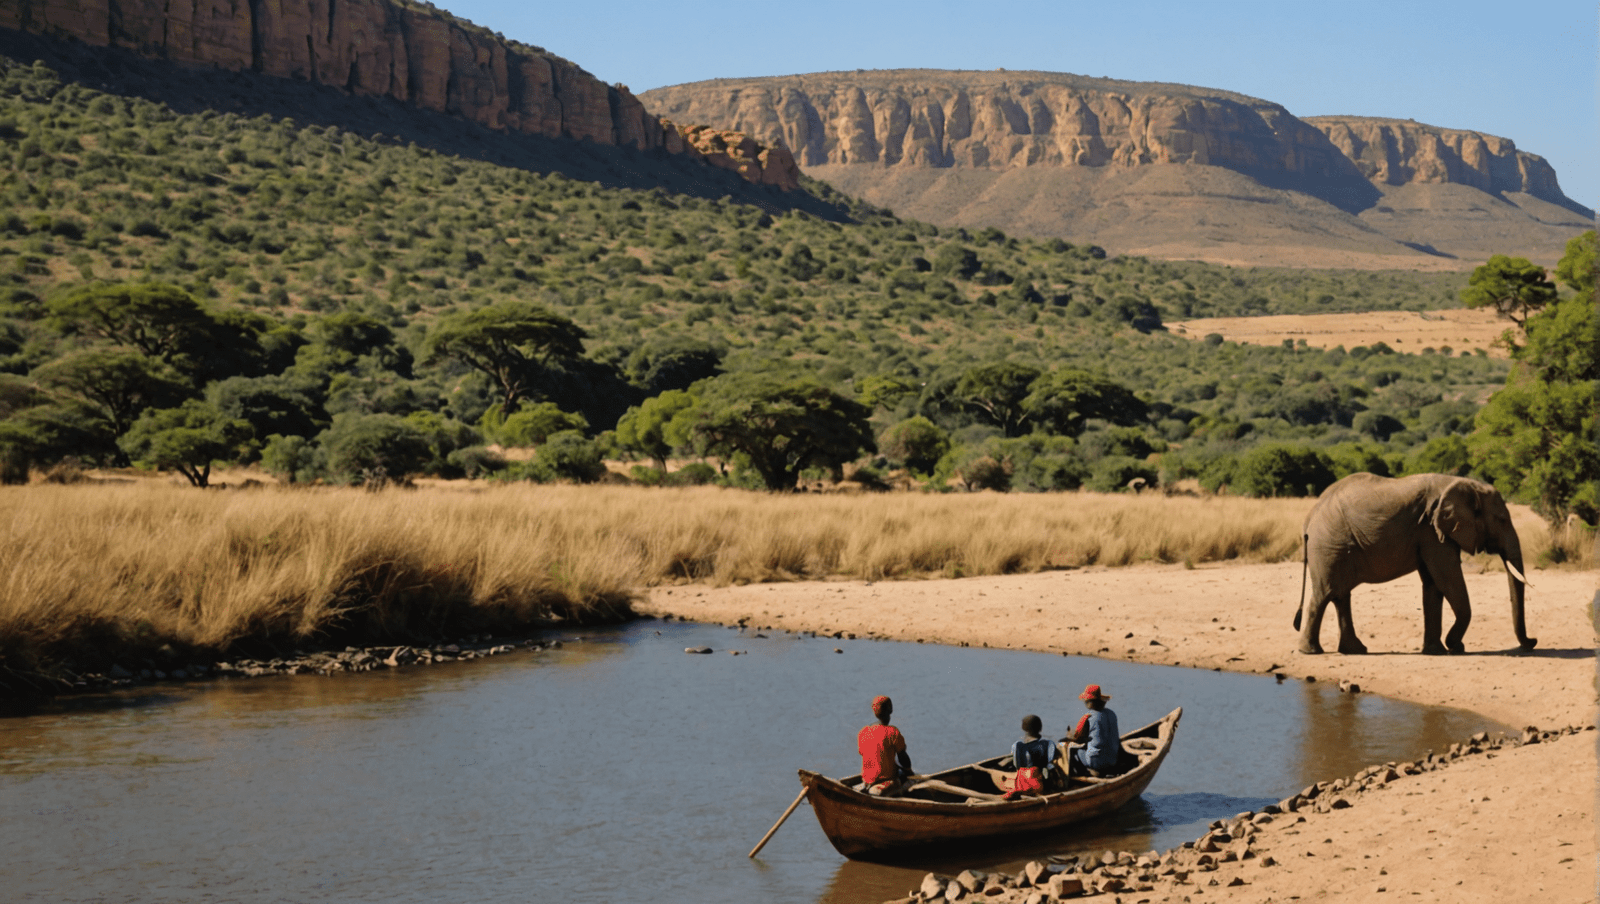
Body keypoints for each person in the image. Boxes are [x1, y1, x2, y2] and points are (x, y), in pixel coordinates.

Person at [858, 695, 913, 796]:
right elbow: (903, 759)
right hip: (886, 782)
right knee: (912, 782)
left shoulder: (864, 733)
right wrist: (909, 771)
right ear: (890, 710)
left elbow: (871, 755)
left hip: (868, 781)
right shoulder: (892, 732)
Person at [1064, 684, 1120, 775]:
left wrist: (1069, 735)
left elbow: (1076, 738)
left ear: (1088, 701)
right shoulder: (1111, 714)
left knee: (1071, 750)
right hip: (1113, 760)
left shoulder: (1089, 717)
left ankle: (1084, 774)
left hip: (1096, 762)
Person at [1002, 714, 1057, 800]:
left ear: (1024, 729)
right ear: (1040, 728)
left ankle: (1023, 791)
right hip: (1037, 785)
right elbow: (1049, 765)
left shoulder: (1017, 746)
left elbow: (1017, 765)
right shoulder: (1047, 744)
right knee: (1051, 770)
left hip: (1021, 784)